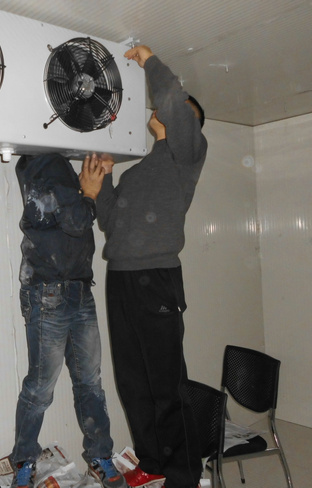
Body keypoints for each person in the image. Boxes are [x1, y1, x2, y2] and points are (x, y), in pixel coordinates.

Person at [95, 45, 208, 488]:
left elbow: (174, 103)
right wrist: (102, 181)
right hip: (121, 279)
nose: (162, 110)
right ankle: (152, 462)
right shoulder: (140, 170)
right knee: (133, 383)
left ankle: (183, 475)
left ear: (188, 123)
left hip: (156, 278)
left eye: (177, 111)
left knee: (165, 386)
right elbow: (111, 222)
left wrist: (149, 61)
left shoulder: (186, 156)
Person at [9, 153, 128, 488]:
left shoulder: (54, 165)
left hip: (77, 291)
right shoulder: (45, 160)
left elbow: (64, 215)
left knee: (89, 383)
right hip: (49, 293)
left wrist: (90, 181)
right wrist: (88, 191)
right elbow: (76, 220)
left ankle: (100, 456)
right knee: (40, 388)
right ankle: (24, 461)